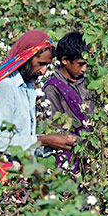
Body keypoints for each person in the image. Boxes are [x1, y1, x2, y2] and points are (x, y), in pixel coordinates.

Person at [0, 30, 77, 207]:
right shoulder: (6, 86)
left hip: (18, 178)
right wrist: (43, 140)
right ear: (25, 58)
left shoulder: (27, 88)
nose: (44, 71)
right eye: (41, 64)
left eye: (47, 65)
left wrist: (56, 145)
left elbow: (22, 142)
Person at [41, 31, 94, 172]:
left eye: (86, 64)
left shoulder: (90, 83)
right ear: (64, 60)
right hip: (67, 155)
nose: (84, 69)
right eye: (80, 64)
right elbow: (54, 128)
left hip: (92, 152)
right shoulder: (52, 88)